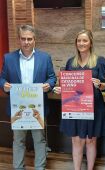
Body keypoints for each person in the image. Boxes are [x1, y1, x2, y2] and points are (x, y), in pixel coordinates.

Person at [0, 24, 57, 170]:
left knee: (39, 140)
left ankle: (40, 168)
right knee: (18, 140)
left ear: (34, 40)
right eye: (23, 39)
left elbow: (52, 78)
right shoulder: (9, 58)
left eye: (29, 39)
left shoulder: (45, 58)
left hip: (37, 108)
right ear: (19, 39)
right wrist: (4, 84)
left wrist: (48, 85)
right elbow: (2, 78)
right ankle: (18, 168)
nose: (26, 42)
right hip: (17, 108)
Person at [53, 29, 105, 170]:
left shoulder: (99, 61)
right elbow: (66, 86)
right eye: (79, 40)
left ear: (90, 43)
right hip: (74, 108)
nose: (81, 43)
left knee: (90, 141)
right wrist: (60, 89)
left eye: (85, 40)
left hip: (94, 107)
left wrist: (100, 84)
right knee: (76, 141)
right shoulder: (70, 63)